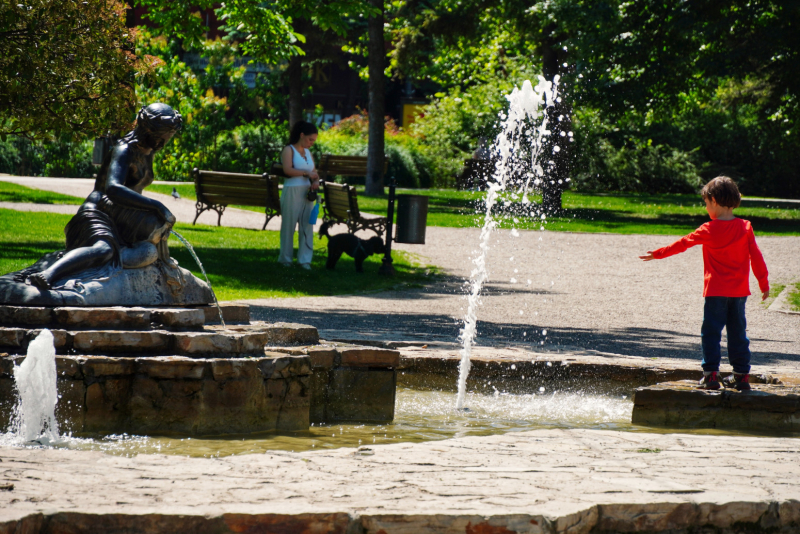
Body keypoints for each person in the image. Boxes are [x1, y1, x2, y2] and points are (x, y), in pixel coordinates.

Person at [27, 103, 182, 290]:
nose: (162, 144)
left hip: (122, 220)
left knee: (148, 249)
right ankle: (48, 274)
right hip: (98, 212)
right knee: (104, 250)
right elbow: (113, 189)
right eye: (159, 138)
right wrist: (157, 206)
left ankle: (103, 268)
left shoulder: (148, 151)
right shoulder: (124, 150)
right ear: (146, 130)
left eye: (166, 139)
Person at [639, 176, 769, 391]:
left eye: (706, 203)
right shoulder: (745, 227)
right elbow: (756, 256)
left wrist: (658, 254)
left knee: (711, 333)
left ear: (714, 201)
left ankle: (711, 376)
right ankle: (742, 376)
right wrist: (763, 283)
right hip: (739, 293)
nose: (706, 207)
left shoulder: (708, 229)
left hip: (715, 291)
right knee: (738, 334)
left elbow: (683, 243)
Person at [279, 120, 320, 269]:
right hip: (292, 190)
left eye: (313, 140)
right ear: (301, 135)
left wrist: (316, 181)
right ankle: (285, 259)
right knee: (288, 225)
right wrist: (305, 173)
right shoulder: (289, 150)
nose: (311, 143)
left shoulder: (308, 153)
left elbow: (314, 172)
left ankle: (304, 260)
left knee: (307, 225)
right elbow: (287, 170)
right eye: (310, 139)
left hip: (307, 192)